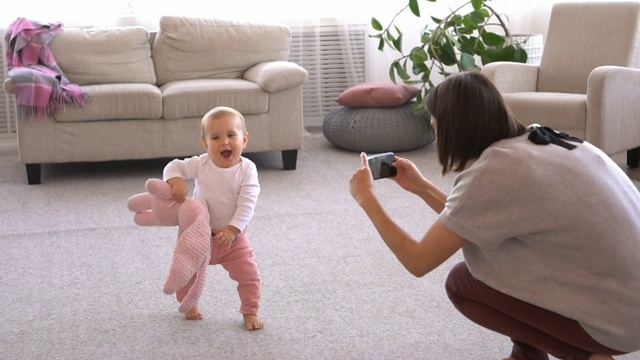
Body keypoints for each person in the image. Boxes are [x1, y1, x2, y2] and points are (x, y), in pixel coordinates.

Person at [349, 71, 640, 360]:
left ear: (453, 129)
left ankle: (585, 356)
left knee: (463, 283)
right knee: (503, 246)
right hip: (627, 297)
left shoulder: (492, 172)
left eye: (436, 125)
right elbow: (475, 219)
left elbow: (418, 260)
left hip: (620, 323)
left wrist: (368, 199)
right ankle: (527, 356)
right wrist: (423, 188)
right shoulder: (541, 138)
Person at [164, 106, 263, 330]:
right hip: (199, 236)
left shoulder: (247, 169)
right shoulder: (201, 163)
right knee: (186, 271)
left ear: (244, 139)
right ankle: (188, 304)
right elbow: (173, 166)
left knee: (249, 275)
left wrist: (232, 230)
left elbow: (247, 203)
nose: (224, 142)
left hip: (233, 239)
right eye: (215, 137)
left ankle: (250, 310)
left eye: (231, 135)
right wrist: (177, 181)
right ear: (205, 144)